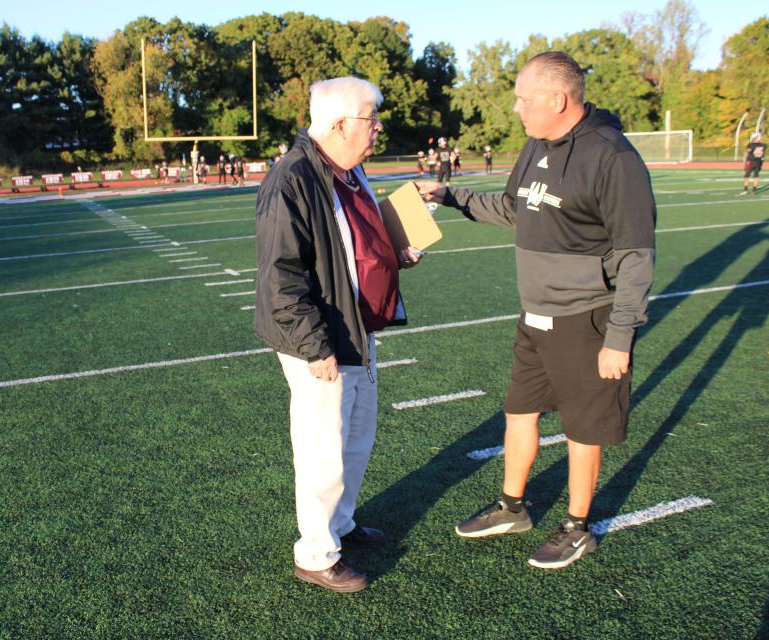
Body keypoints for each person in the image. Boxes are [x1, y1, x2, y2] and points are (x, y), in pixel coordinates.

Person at [417, 51, 656, 570]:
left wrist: (620, 335)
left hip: (589, 317)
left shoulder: (613, 157)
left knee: (581, 429)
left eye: (525, 99)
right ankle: (512, 506)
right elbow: (513, 209)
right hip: (535, 315)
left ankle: (576, 527)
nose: (518, 108)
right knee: (518, 413)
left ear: (558, 99)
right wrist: (450, 195)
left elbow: (637, 256)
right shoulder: (534, 145)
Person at [255, 77, 423, 592]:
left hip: (357, 325)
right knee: (322, 446)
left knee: (356, 435)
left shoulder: (349, 170)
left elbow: (355, 241)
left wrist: (398, 253)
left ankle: (341, 525)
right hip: (322, 336)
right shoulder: (294, 178)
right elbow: (281, 275)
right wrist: (314, 346)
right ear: (338, 125)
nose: (377, 128)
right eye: (370, 119)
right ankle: (316, 553)